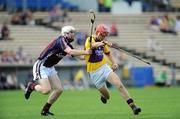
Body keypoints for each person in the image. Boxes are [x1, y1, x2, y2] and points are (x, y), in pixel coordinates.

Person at [24, 25, 91, 116]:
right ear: (65, 33)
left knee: (59, 89)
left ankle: (45, 110)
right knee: (46, 90)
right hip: (41, 65)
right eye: (71, 32)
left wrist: (91, 53)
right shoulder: (61, 41)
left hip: (50, 67)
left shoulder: (68, 44)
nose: (73, 34)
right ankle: (31, 86)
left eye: (73, 32)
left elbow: (81, 57)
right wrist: (86, 52)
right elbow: (70, 52)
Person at [84, 24, 141, 115]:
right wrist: (104, 43)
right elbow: (92, 46)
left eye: (106, 35)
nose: (104, 37)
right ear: (98, 33)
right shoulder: (89, 39)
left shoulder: (103, 43)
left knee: (119, 85)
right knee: (107, 96)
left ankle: (133, 106)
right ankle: (103, 96)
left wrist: (113, 63)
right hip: (93, 73)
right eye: (103, 35)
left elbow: (108, 53)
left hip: (104, 68)